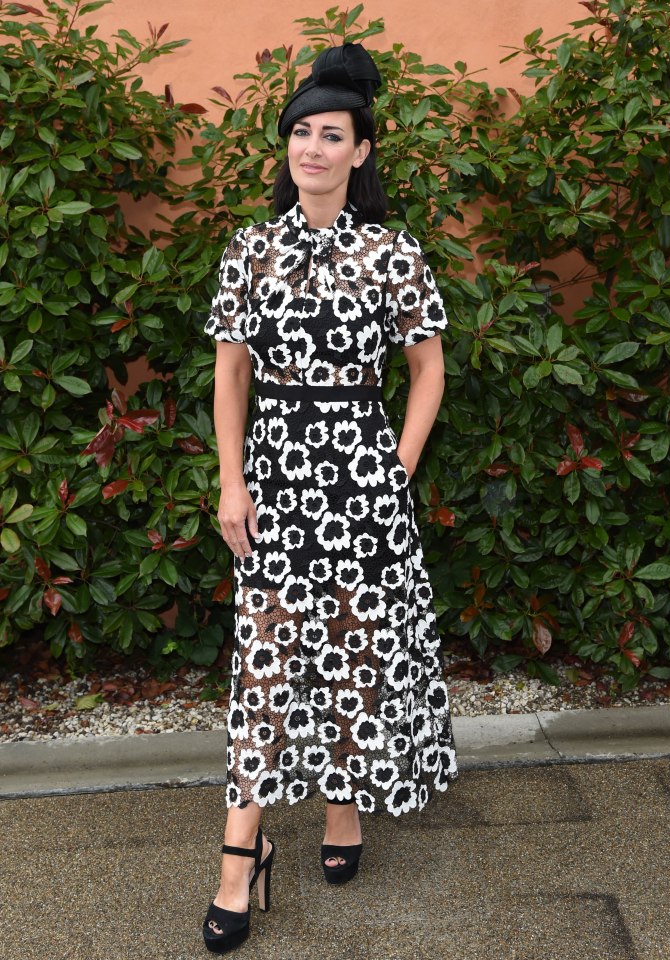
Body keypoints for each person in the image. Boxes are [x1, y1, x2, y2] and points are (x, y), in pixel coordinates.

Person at [201, 41, 458, 953]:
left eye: (331, 134)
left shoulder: (393, 253)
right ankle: (242, 858)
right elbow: (230, 378)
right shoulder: (250, 251)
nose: (311, 148)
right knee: (265, 661)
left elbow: (425, 368)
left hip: (361, 475)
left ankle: (344, 809)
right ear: (288, 148)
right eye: (299, 133)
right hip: (272, 474)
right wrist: (230, 479)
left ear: (360, 152)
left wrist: (397, 462)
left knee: (350, 649)